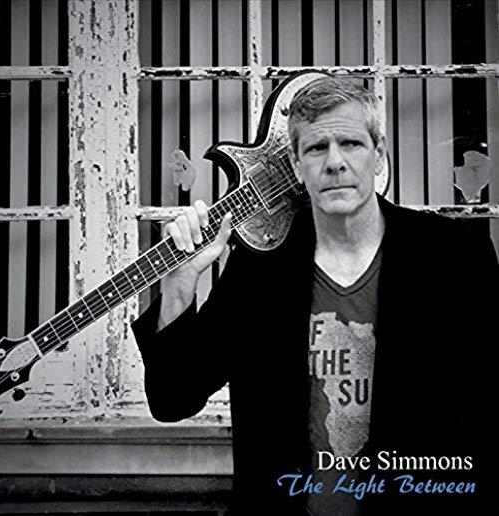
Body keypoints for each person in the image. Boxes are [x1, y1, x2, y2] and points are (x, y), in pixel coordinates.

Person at [132, 75, 498, 515]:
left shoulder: (455, 255)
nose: (335, 162)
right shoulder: (261, 266)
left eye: (351, 144)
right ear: (296, 164)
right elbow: (173, 398)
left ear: (379, 155)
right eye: (316, 148)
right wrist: (179, 286)